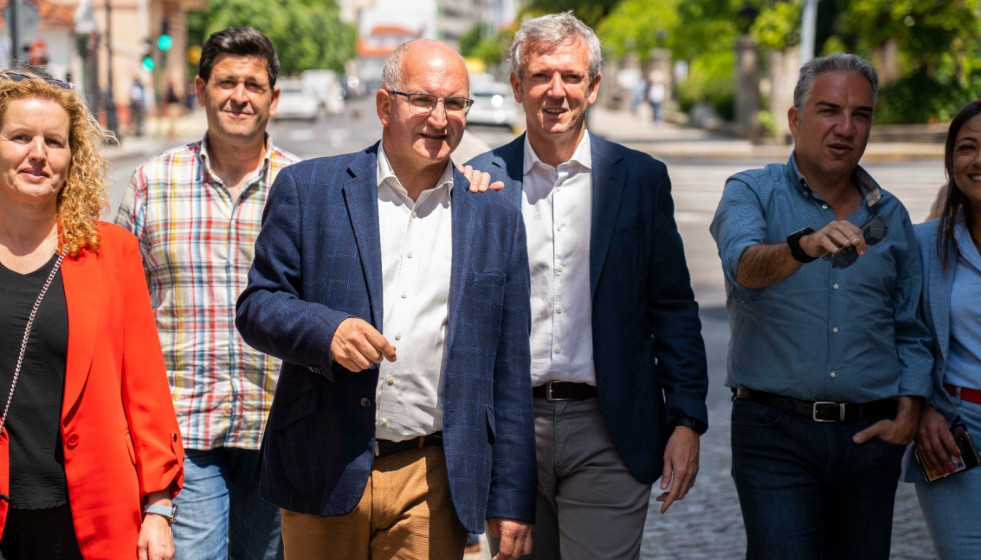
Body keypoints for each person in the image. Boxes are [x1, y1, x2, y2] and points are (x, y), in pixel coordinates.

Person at [235, 39, 536, 560]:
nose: (439, 118)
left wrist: (511, 498)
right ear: (384, 106)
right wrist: (324, 332)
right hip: (323, 464)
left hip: (432, 478)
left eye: (455, 103)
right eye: (422, 100)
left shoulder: (494, 214)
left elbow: (509, 369)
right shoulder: (309, 189)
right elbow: (258, 306)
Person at [466, 12, 708, 559]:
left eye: (572, 77)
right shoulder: (481, 181)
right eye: (541, 76)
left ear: (593, 85)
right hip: (507, 428)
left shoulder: (640, 179)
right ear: (516, 86)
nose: (557, 92)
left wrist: (686, 419)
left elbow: (672, 305)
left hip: (611, 428)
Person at [709, 53, 933, 559]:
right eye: (829, 110)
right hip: (774, 433)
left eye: (861, 115)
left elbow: (912, 327)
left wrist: (910, 409)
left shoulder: (890, 214)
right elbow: (743, 265)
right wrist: (802, 247)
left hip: (869, 437)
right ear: (795, 119)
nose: (846, 128)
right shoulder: (751, 191)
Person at [115, 27, 297, 560]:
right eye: (225, 82)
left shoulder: (305, 185)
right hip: (183, 431)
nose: (239, 95)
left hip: (277, 428)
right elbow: (121, 307)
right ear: (199, 90)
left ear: (273, 98)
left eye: (253, 84)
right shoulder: (153, 182)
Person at [0, 71, 183, 559]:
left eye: (54, 142)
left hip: (86, 514)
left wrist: (159, 509)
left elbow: (144, 388)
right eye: (20, 137)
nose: (38, 153)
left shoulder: (110, 252)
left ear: (71, 157)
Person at [901, 100, 981, 559]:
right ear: (951, 162)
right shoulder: (924, 244)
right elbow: (904, 334)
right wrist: (925, 406)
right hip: (952, 431)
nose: (978, 160)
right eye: (967, 147)